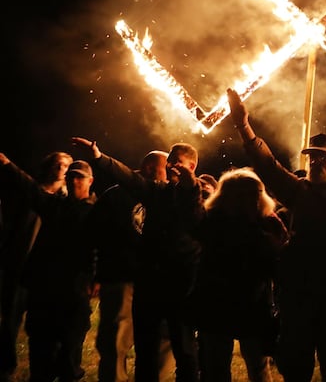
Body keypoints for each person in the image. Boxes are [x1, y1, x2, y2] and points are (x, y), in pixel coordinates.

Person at [226, 88, 326, 382]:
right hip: (299, 298)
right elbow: (268, 166)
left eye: (322, 157)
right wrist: (244, 127)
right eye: (312, 157)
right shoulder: (300, 192)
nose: (314, 162)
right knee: (295, 367)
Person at [71, 137, 203, 382]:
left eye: (177, 162)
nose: (172, 166)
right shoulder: (158, 192)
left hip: (181, 287)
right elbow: (128, 178)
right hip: (149, 282)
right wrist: (99, 158)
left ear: (192, 167)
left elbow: (196, 222)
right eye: (170, 161)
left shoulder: (201, 194)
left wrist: (190, 187)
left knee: (184, 350)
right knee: (146, 349)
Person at [0, 155, 96, 382]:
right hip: (44, 293)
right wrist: (7, 164)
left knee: (69, 362)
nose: (74, 182)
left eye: (79, 178)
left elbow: (103, 247)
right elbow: (29, 187)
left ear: (90, 181)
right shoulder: (54, 206)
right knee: (40, 361)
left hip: (73, 297)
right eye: (71, 177)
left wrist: (95, 276)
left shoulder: (95, 213)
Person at [191, 167, 288, 382]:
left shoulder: (267, 222)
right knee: (219, 367)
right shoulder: (213, 221)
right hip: (222, 302)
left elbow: (279, 259)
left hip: (248, 303)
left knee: (256, 365)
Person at [87, 150, 176, 382]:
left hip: (158, 279)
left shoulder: (166, 196)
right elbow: (95, 234)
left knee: (165, 335)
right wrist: (97, 271)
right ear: (149, 168)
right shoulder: (116, 196)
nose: (170, 173)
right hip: (122, 275)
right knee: (116, 336)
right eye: (166, 167)